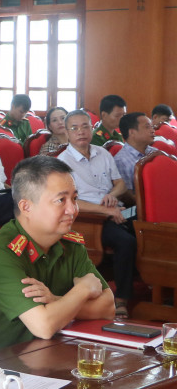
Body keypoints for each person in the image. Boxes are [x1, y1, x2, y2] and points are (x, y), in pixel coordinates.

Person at [0, 157, 115, 357]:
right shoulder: (1, 253)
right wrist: (83, 289)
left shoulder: (69, 244)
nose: (72, 209)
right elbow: (43, 326)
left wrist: (54, 300)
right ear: (26, 207)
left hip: (34, 356)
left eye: (74, 198)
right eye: (61, 200)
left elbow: (108, 307)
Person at [60, 109, 135, 316]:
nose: (81, 131)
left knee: (148, 229)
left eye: (85, 126)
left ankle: (153, 284)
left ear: (92, 129)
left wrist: (112, 195)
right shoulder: (63, 162)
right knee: (126, 242)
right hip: (90, 219)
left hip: (116, 209)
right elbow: (69, 201)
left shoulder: (102, 153)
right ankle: (121, 299)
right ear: (66, 132)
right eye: (74, 128)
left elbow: (120, 184)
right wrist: (106, 210)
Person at [114, 112, 154, 203]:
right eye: (147, 127)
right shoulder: (121, 161)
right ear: (132, 132)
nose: (152, 130)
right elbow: (128, 197)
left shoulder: (154, 152)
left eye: (152, 127)